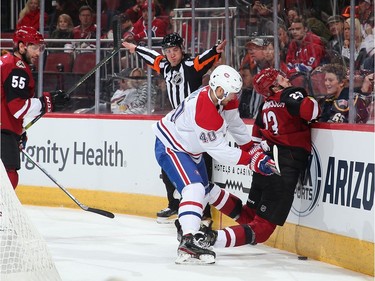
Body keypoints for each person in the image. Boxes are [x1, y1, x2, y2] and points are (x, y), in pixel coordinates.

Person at [187, 67, 320, 260]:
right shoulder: (289, 93)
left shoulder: (265, 105)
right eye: (281, 78)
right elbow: (312, 111)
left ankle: (210, 192)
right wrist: (312, 98)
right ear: (274, 86)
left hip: (264, 162)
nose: (286, 79)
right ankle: (209, 239)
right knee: (263, 230)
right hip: (284, 165)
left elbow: (255, 140)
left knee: (249, 216)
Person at [153, 65, 277, 264]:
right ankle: (188, 241)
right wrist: (252, 160)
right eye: (231, 94)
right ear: (219, 90)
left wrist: (250, 148)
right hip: (172, 147)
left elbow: (235, 124)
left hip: (190, 150)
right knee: (194, 189)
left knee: (206, 190)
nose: (233, 98)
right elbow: (219, 151)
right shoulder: (203, 109)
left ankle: (190, 226)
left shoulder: (221, 98)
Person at [123, 33, 226, 223]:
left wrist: (215, 51)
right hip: (177, 125)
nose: (171, 55)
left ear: (181, 49)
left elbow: (203, 59)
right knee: (168, 165)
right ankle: (173, 204)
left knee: (203, 167)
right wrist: (135, 48)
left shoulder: (190, 65)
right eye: (168, 51)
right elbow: (153, 57)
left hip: (197, 126)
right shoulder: (164, 66)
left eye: (175, 50)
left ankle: (204, 211)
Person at [0, 26, 69, 190]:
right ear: (22, 46)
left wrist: (19, 130)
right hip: (3, 129)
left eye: (41, 47)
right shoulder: (17, 69)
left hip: (5, 126)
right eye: (34, 47)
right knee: (9, 175)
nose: (38, 52)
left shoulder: (6, 61)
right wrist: (47, 101)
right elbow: (17, 108)